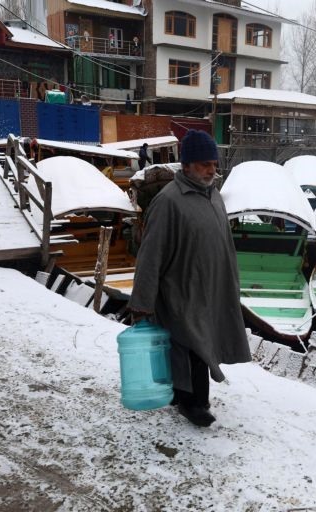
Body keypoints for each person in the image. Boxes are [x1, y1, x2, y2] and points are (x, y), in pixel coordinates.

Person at [128, 130, 251, 427]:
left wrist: (231, 283)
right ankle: (192, 403)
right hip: (179, 289)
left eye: (213, 164)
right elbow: (150, 255)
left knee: (201, 342)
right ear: (186, 166)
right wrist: (142, 301)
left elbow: (224, 244)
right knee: (190, 346)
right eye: (204, 164)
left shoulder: (214, 196)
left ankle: (184, 395)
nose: (211, 170)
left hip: (209, 289)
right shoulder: (168, 201)